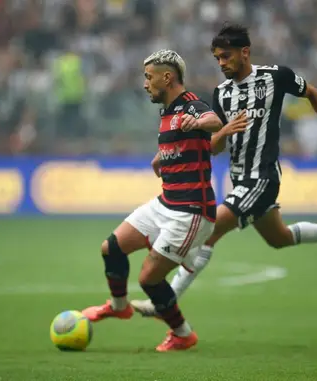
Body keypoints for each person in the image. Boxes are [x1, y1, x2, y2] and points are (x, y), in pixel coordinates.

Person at [131, 24, 317, 317]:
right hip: (240, 181)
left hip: (262, 178)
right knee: (279, 238)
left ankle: (165, 302)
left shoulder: (275, 77)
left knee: (209, 231)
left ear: (244, 52)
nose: (221, 63)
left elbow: (311, 92)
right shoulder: (221, 93)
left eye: (226, 56)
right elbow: (213, 146)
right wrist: (224, 131)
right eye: (217, 58)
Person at [81, 49, 223, 352]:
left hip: (190, 212)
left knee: (148, 279)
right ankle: (119, 306)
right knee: (112, 248)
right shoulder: (167, 111)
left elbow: (212, 120)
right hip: (165, 203)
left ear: (167, 77)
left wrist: (197, 122)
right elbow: (181, 144)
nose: (145, 84)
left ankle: (183, 334)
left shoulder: (190, 106)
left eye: (149, 77)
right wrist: (162, 157)